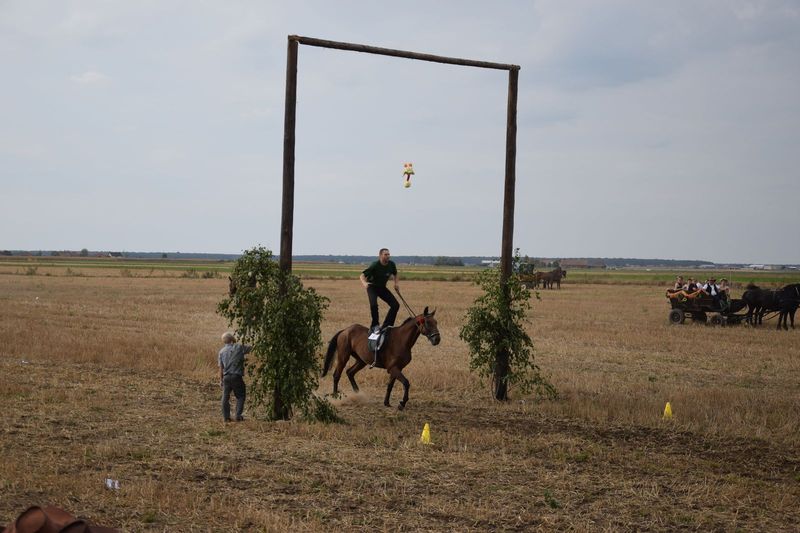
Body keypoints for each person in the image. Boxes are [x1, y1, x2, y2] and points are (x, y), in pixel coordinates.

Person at [360, 248, 400, 334]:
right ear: (380, 256)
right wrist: (364, 284)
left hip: (382, 288)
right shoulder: (375, 265)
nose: (388, 256)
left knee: (396, 305)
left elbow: (395, 273)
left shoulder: (391, 264)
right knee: (374, 305)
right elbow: (362, 275)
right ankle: (375, 325)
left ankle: (387, 326)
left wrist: (396, 283)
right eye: (386, 254)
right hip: (372, 287)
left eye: (389, 254)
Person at [218, 332, 252, 422]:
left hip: (226, 377)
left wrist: (221, 380)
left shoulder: (221, 352)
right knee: (241, 396)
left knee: (225, 397)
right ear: (232, 339)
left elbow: (221, 368)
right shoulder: (239, 347)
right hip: (236, 376)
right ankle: (238, 415)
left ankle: (226, 417)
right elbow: (250, 348)